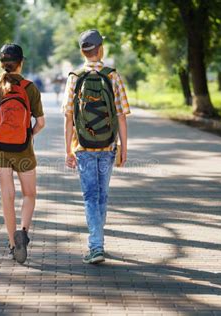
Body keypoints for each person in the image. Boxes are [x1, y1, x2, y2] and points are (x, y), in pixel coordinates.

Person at [62, 29, 130, 264]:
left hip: (82, 147)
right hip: (108, 146)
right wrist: (124, 147)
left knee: (90, 196)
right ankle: (98, 243)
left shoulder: (74, 77)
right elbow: (121, 116)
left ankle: (96, 246)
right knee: (102, 195)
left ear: (82, 51)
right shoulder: (112, 76)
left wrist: (67, 150)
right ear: (101, 49)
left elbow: (68, 117)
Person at [0, 43, 45, 264]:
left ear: (1, 63)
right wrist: (29, 135)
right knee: (29, 194)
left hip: (1, 149)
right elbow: (41, 123)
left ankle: (13, 245)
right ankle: (23, 232)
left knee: (7, 196)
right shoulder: (30, 87)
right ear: (21, 62)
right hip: (23, 149)